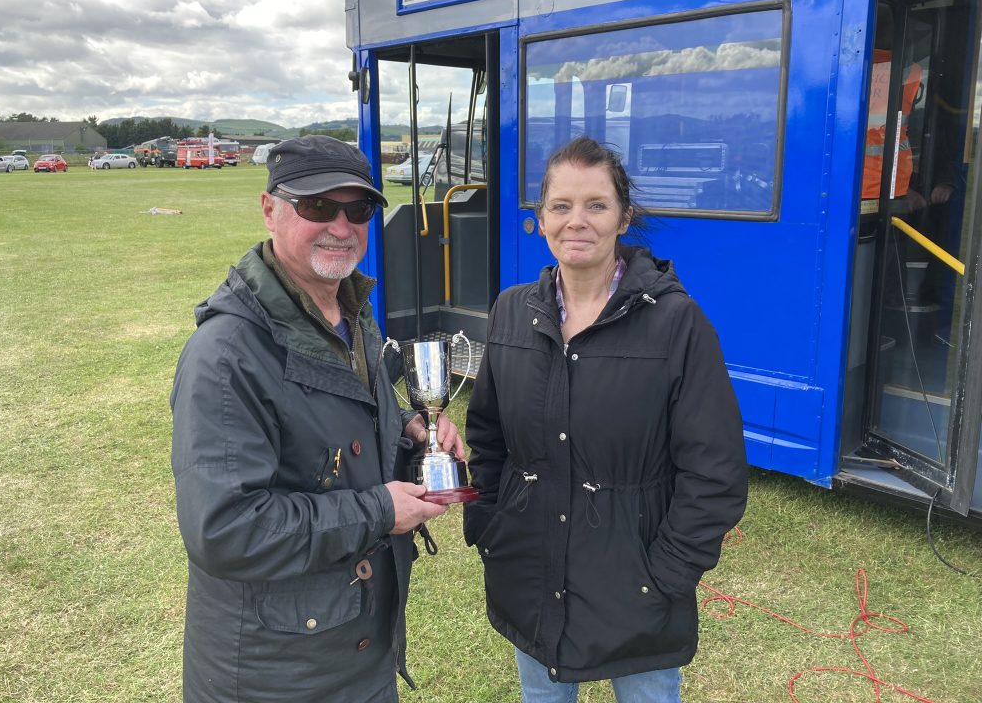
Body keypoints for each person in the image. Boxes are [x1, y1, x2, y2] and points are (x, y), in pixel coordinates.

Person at [170, 135, 463, 703]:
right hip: (275, 672)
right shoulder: (225, 354)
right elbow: (225, 529)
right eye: (317, 206)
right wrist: (381, 509)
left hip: (359, 646)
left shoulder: (350, 309)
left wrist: (410, 430)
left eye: (358, 210)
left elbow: (335, 425)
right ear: (269, 209)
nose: (341, 226)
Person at [463, 136, 748, 702]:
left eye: (596, 205)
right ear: (540, 218)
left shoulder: (677, 325)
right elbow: (488, 437)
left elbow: (714, 472)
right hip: (531, 576)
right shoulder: (511, 313)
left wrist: (666, 573)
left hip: (638, 588)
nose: (577, 221)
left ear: (624, 218)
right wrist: (492, 526)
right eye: (561, 206)